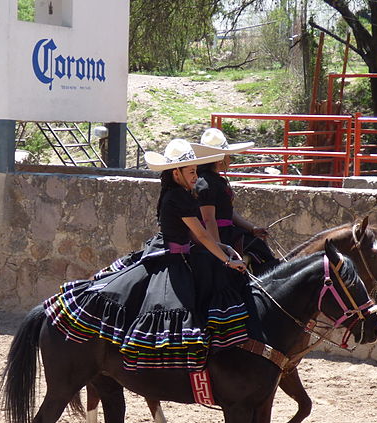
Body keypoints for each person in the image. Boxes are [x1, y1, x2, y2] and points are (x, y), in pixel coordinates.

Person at [45, 139, 257, 371]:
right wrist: (226, 260)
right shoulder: (180, 197)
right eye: (191, 171)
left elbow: (198, 237)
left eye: (196, 170)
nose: (195, 176)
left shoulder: (177, 193)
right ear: (176, 173)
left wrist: (222, 248)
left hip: (175, 251)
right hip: (173, 259)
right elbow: (202, 236)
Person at [192, 128, 280, 273]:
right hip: (220, 234)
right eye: (228, 156)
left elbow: (229, 212)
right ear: (220, 159)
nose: (230, 159)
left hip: (228, 230)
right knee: (257, 248)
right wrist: (218, 249)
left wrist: (251, 228)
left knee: (258, 245)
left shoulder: (217, 181)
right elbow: (209, 219)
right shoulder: (205, 183)